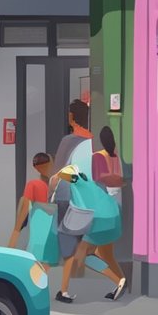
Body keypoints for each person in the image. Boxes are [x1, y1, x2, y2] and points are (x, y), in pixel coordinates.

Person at [51, 100, 99, 303]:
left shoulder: (69, 141)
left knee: (68, 243)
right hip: (89, 197)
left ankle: (63, 288)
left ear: (72, 117)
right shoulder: (93, 141)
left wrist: (49, 193)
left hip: (66, 195)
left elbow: (58, 173)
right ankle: (116, 278)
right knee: (84, 243)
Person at [83, 126, 128, 300]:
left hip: (102, 211)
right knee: (106, 252)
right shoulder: (117, 158)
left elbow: (98, 179)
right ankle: (121, 282)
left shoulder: (97, 157)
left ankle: (119, 279)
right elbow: (117, 180)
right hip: (116, 208)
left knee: (85, 253)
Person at [8, 152, 53, 252]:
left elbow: (24, 209)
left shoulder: (33, 184)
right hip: (51, 229)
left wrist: (14, 237)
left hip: (36, 227)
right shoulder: (57, 183)